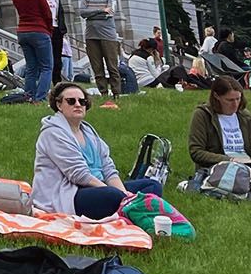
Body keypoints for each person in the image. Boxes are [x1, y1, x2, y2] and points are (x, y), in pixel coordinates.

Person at [33, 81, 162, 219]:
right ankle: (134, 212)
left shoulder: (88, 131)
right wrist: (119, 195)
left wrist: (125, 194)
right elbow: (78, 175)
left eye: (82, 101)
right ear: (59, 105)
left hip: (98, 187)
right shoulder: (53, 133)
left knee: (152, 186)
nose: (78, 104)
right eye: (71, 101)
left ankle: (129, 210)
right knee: (113, 196)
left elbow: (108, 169)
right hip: (69, 193)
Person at [12, 0, 54, 102]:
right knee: (46, 67)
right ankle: (40, 98)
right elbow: (47, 13)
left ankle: (28, 96)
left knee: (31, 67)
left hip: (23, 32)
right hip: (39, 31)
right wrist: (49, 30)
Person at [79, 0, 122, 107]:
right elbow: (82, 13)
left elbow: (110, 13)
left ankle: (116, 93)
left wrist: (92, 13)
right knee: (97, 67)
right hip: (91, 36)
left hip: (108, 36)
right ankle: (103, 92)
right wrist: (101, 10)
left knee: (112, 66)